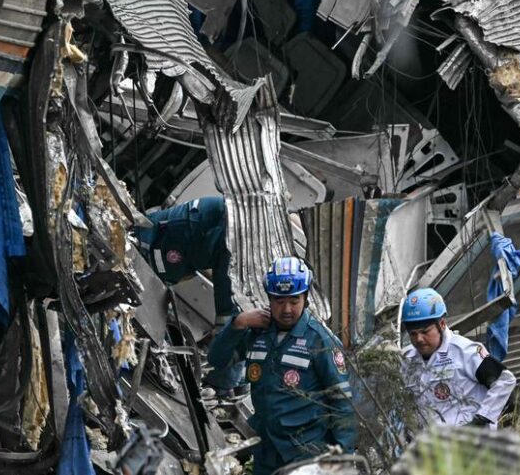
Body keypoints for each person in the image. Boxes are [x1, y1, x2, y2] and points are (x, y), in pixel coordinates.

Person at [207, 257, 356, 475]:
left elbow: (342, 402)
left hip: (307, 454)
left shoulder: (320, 340)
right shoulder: (258, 332)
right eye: (279, 301)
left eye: (294, 301)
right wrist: (238, 323)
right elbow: (217, 360)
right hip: (266, 450)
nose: (286, 309)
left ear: (305, 298)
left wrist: (343, 457)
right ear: (269, 298)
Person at [399, 287, 517, 428]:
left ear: (442, 324)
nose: (419, 339)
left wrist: (480, 420)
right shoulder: (406, 359)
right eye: (413, 334)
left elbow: (505, 380)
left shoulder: (465, 351)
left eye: (425, 332)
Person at [134, 197, 233, 324]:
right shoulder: (233, 229)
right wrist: (225, 319)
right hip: (149, 244)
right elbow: (224, 275)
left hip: (159, 266)